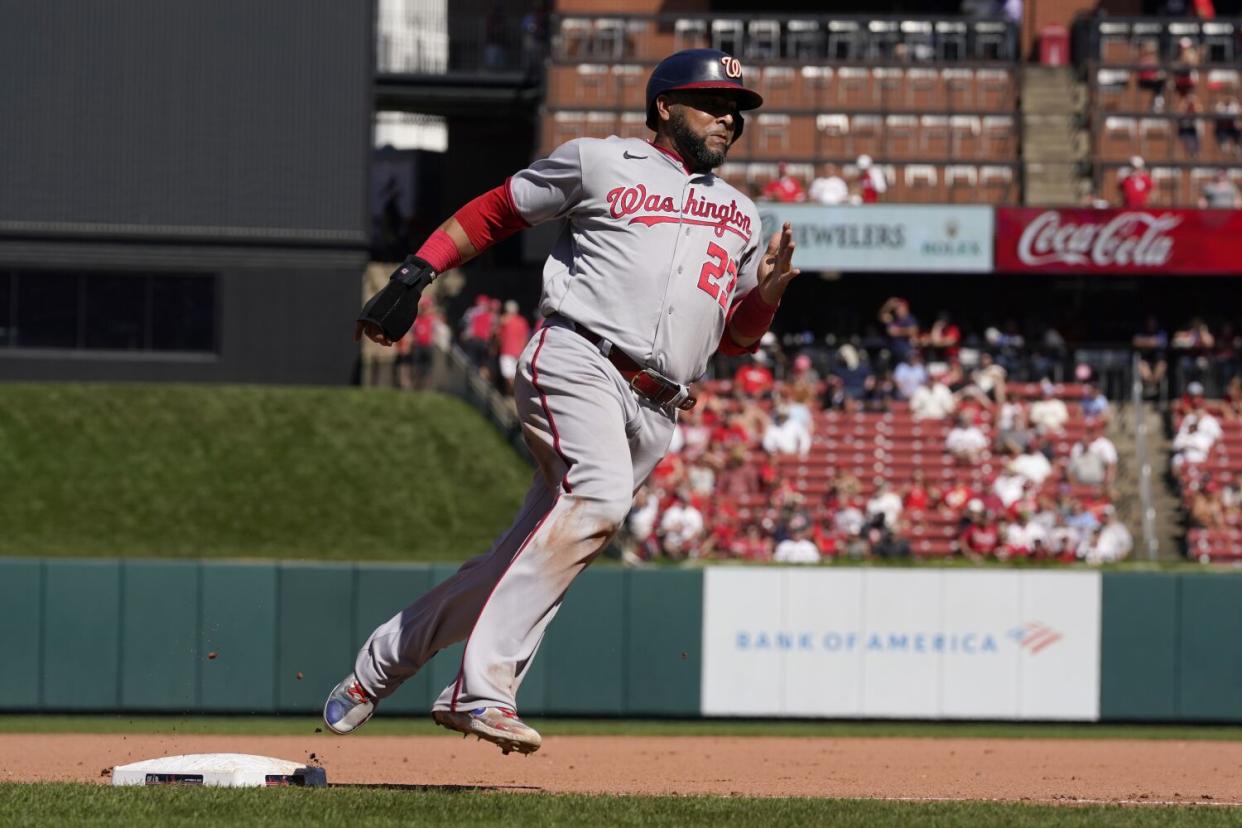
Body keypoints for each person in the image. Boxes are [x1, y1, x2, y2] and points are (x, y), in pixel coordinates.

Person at [327, 49, 797, 754]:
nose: (728, 117)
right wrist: (418, 270)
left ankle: (377, 666)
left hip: (658, 408)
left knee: (522, 558)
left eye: (736, 107)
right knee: (599, 501)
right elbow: (497, 211)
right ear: (664, 106)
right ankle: (480, 691)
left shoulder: (740, 213)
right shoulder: (598, 162)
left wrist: (768, 292)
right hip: (580, 358)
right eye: (711, 101)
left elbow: (732, 342)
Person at [496, 300, 531, 394]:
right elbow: (525, 338)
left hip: (507, 352)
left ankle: (513, 394)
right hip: (518, 352)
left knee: (508, 376)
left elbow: (496, 335)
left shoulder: (504, 320)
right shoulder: (522, 321)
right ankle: (514, 395)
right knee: (514, 376)